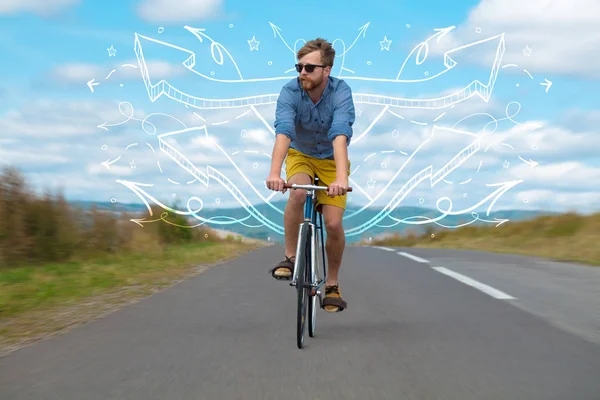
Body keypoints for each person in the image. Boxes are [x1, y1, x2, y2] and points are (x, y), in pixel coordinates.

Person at [265, 38, 355, 313]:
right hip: (301, 155)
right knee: (298, 192)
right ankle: (290, 258)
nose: (302, 72)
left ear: (326, 70)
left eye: (309, 67)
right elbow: (283, 133)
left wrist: (341, 179)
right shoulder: (289, 91)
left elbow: (340, 136)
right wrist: (274, 173)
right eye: (299, 66)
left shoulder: (341, 92)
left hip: (330, 160)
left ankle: (332, 285)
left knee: (333, 224)